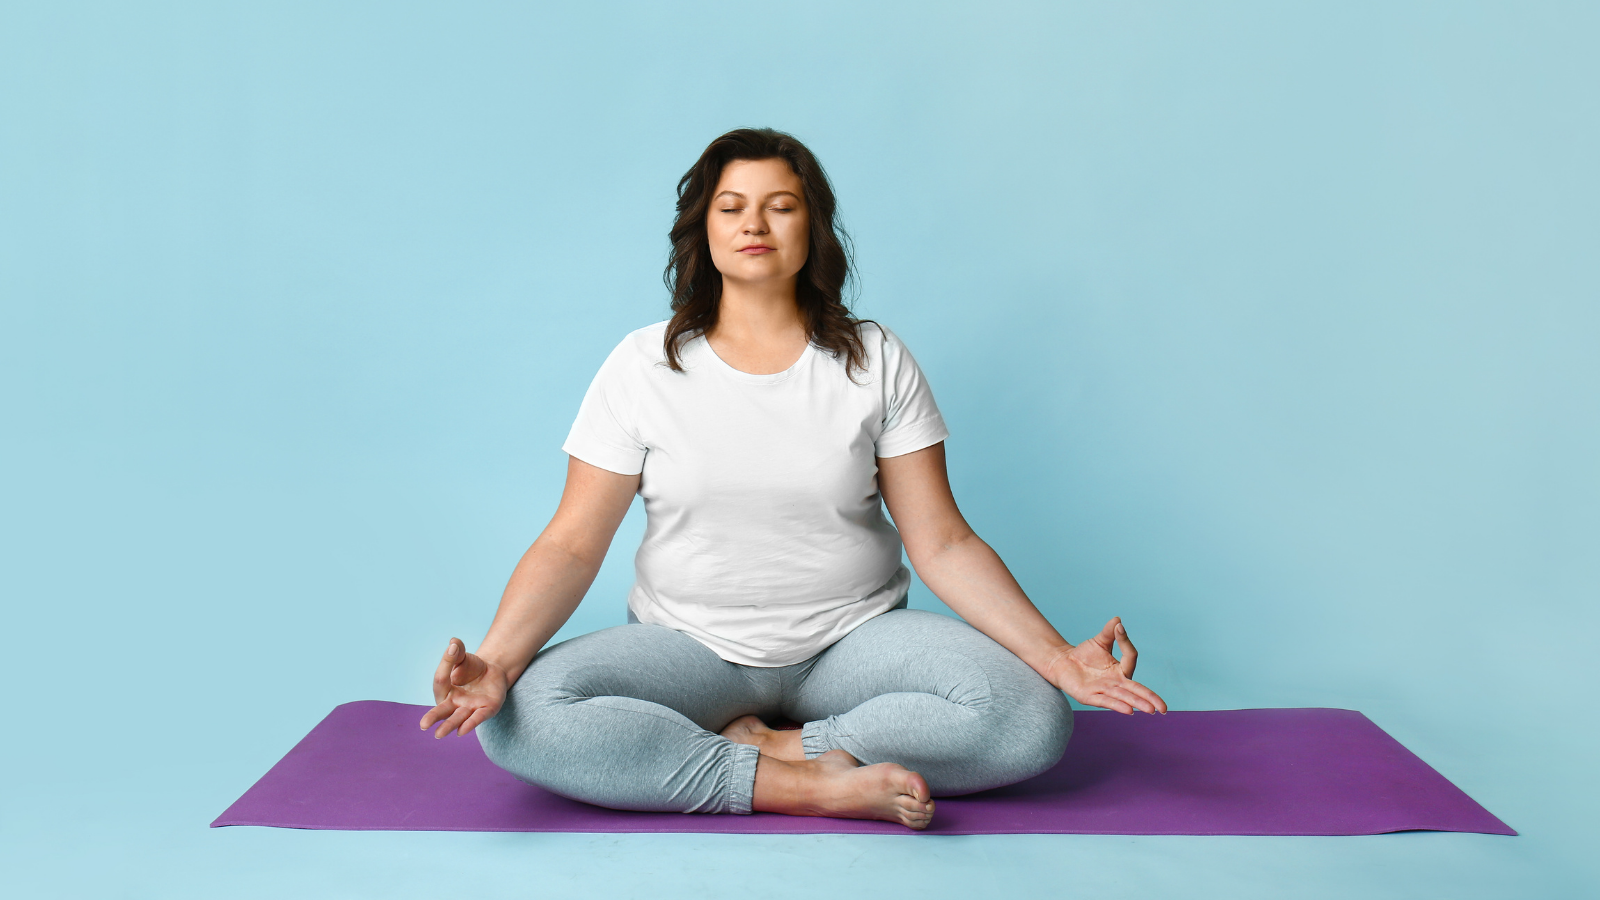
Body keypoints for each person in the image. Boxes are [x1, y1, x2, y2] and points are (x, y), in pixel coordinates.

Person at [420, 128, 1167, 830]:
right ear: (703, 229)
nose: (757, 224)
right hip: (688, 649)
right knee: (521, 719)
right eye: (732, 207)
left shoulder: (874, 358)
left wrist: (1056, 657)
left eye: (782, 207)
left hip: (852, 642)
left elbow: (941, 541)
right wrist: (500, 662)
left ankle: (786, 747)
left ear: (812, 229)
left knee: (1030, 718)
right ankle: (805, 786)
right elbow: (574, 543)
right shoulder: (642, 366)